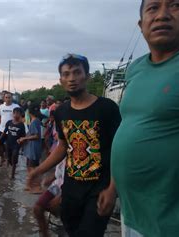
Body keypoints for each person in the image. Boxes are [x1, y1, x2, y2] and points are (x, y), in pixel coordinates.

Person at [105, 1, 179, 236]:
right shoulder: (136, 69)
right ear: (141, 24)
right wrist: (113, 187)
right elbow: (130, 128)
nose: (162, 15)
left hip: (178, 221)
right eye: (153, 8)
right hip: (134, 213)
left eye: (176, 5)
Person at [28, 54, 121, 237]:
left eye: (77, 72)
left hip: (99, 189)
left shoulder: (107, 108)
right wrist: (37, 171)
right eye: (66, 74)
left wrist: (113, 189)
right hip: (71, 190)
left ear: (87, 76)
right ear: (61, 80)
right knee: (71, 231)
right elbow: (63, 147)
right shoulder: (62, 112)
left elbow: (121, 149)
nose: (72, 78)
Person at [33, 159, 66, 237]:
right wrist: (52, 177)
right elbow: (60, 167)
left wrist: (62, 197)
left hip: (73, 187)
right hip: (57, 184)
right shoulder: (60, 147)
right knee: (38, 208)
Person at [20, 104, 43, 193]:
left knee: (32, 167)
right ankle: (30, 185)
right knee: (30, 166)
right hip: (32, 148)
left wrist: (24, 138)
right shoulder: (36, 121)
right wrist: (24, 138)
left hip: (33, 148)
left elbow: (36, 136)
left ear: (29, 113)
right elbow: (32, 134)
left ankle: (36, 186)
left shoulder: (34, 122)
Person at [0, 107, 26, 179]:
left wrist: (22, 146)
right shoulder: (9, 123)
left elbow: (23, 136)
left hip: (16, 145)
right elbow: (4, 132)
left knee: (14, 158)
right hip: (8, 144)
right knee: (9, 159)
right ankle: (9, 168)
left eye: (18, 113)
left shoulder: (21, 125)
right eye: (15, 113)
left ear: (20, 114)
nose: (16, 115)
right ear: (13, 114)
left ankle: (12, 175)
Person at [0, 92, 20, 167]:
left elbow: (20, 117)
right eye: (6, 97)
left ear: (12, 98)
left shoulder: (16, 106)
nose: (8, 99)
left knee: (10, 147)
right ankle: (2, 158)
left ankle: (9, 161)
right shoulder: (1, 107)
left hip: (12, 129)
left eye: (9, 97)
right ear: (4, 98)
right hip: (2, 129)